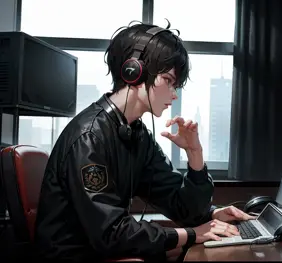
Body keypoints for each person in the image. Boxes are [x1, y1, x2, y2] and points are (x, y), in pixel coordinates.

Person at [34, 21, 254, 262]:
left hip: (103, 249)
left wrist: (195, 155)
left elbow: (184, 209)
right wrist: (192, 235)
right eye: (168, 80)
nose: (174, 93)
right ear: (134, 71)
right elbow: (110, 233)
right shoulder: (90, 137)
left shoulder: (136, 135)